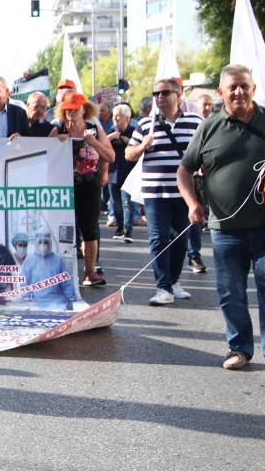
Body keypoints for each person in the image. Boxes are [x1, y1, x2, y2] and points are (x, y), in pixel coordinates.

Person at [178, 63, 265, 376]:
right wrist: (192, 204)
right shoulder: (209, 127)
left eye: (244, 86)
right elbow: (184, 170)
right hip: (226, 229)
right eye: (232, 87)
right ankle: (239, 349)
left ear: (253, 89)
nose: (239, 92)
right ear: (221, 92)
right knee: (231, 292)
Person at [125, 78, 203, 305]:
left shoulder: (195, 121)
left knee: (181, 239)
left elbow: (205, 151)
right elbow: (129, 154)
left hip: (184, 192)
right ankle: (163, 287)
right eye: (156, 93)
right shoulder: (145, 124)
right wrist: (143, 145)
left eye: (165, 92)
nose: (159, 97)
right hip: (155, 192)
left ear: (178, 96)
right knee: (158, 238)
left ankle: (174, 281)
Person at [56, 92, 114, 287]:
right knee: (62, 230)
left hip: (89, 185)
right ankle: (61, 273)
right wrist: (57, 142)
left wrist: (93, 142)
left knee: (89, 229)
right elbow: (44, 156)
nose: (71, 112)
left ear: (84, 109)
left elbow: (110, 156)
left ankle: (90, 271)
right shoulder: (58, 129)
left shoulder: (94, 129)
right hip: (64, 187)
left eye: (75, 109)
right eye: (68, 109)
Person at [106, 103, 140, 243]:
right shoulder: (111, 131)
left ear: (127, 118)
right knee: (116, 203)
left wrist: (126, 141)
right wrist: (111, 137)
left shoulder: (133, 131)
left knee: (127, 202)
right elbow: (101, 144)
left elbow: (138, 147)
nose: (114, 119)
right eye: (113, 116)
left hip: (128, 172)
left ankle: (128, 230)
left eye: (118, 116)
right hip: (113, 172)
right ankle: (120, 227)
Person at [20, 229, 73, 311]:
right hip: (36, 301)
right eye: (40, 242)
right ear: (36, 243)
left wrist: (71, 297)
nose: (43, 245)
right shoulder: (29, 261)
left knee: (58, 312)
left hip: (56, 301)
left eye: (45, 242)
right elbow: (24, 281)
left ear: (50, 243)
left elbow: (66, 282)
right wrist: (26, 297)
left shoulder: (58, 260)